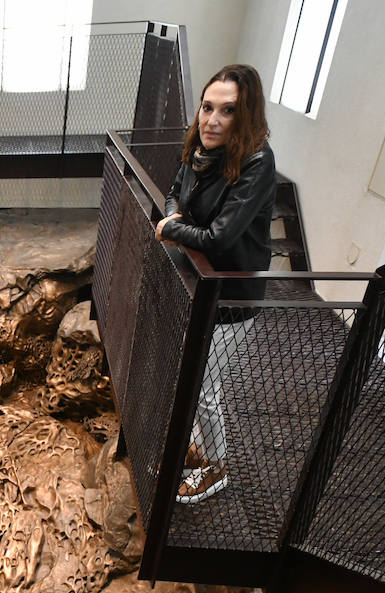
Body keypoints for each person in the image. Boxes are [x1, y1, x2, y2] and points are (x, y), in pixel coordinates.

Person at [155, 63, 276, 504]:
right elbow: (173, 191)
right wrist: (175, 217)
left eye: (227, 111)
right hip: (200, 286)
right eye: (208, 107)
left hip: (233, 295)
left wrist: (171, 229)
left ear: (243, 117)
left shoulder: (256, 162)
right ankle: (199, 450)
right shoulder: (200, 147)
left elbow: (220, 236)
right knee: (190, 374)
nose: (212, 120)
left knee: (206, 387)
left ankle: (218, 467)